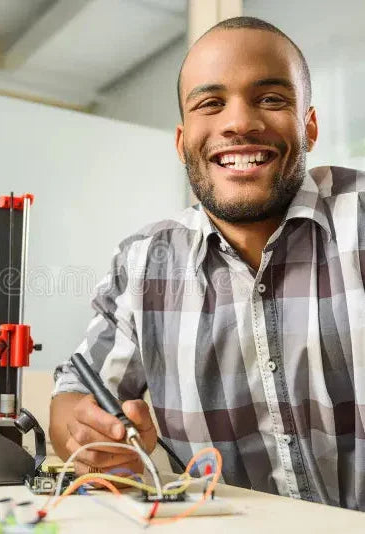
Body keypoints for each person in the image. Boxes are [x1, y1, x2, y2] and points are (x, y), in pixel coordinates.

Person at [49, 16, 365, 510]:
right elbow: (74, 395)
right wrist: (88, 434)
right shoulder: (144, 263)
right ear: (181, 142)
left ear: (309, 126)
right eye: (210, 104)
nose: (238, 123)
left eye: (271, 99)